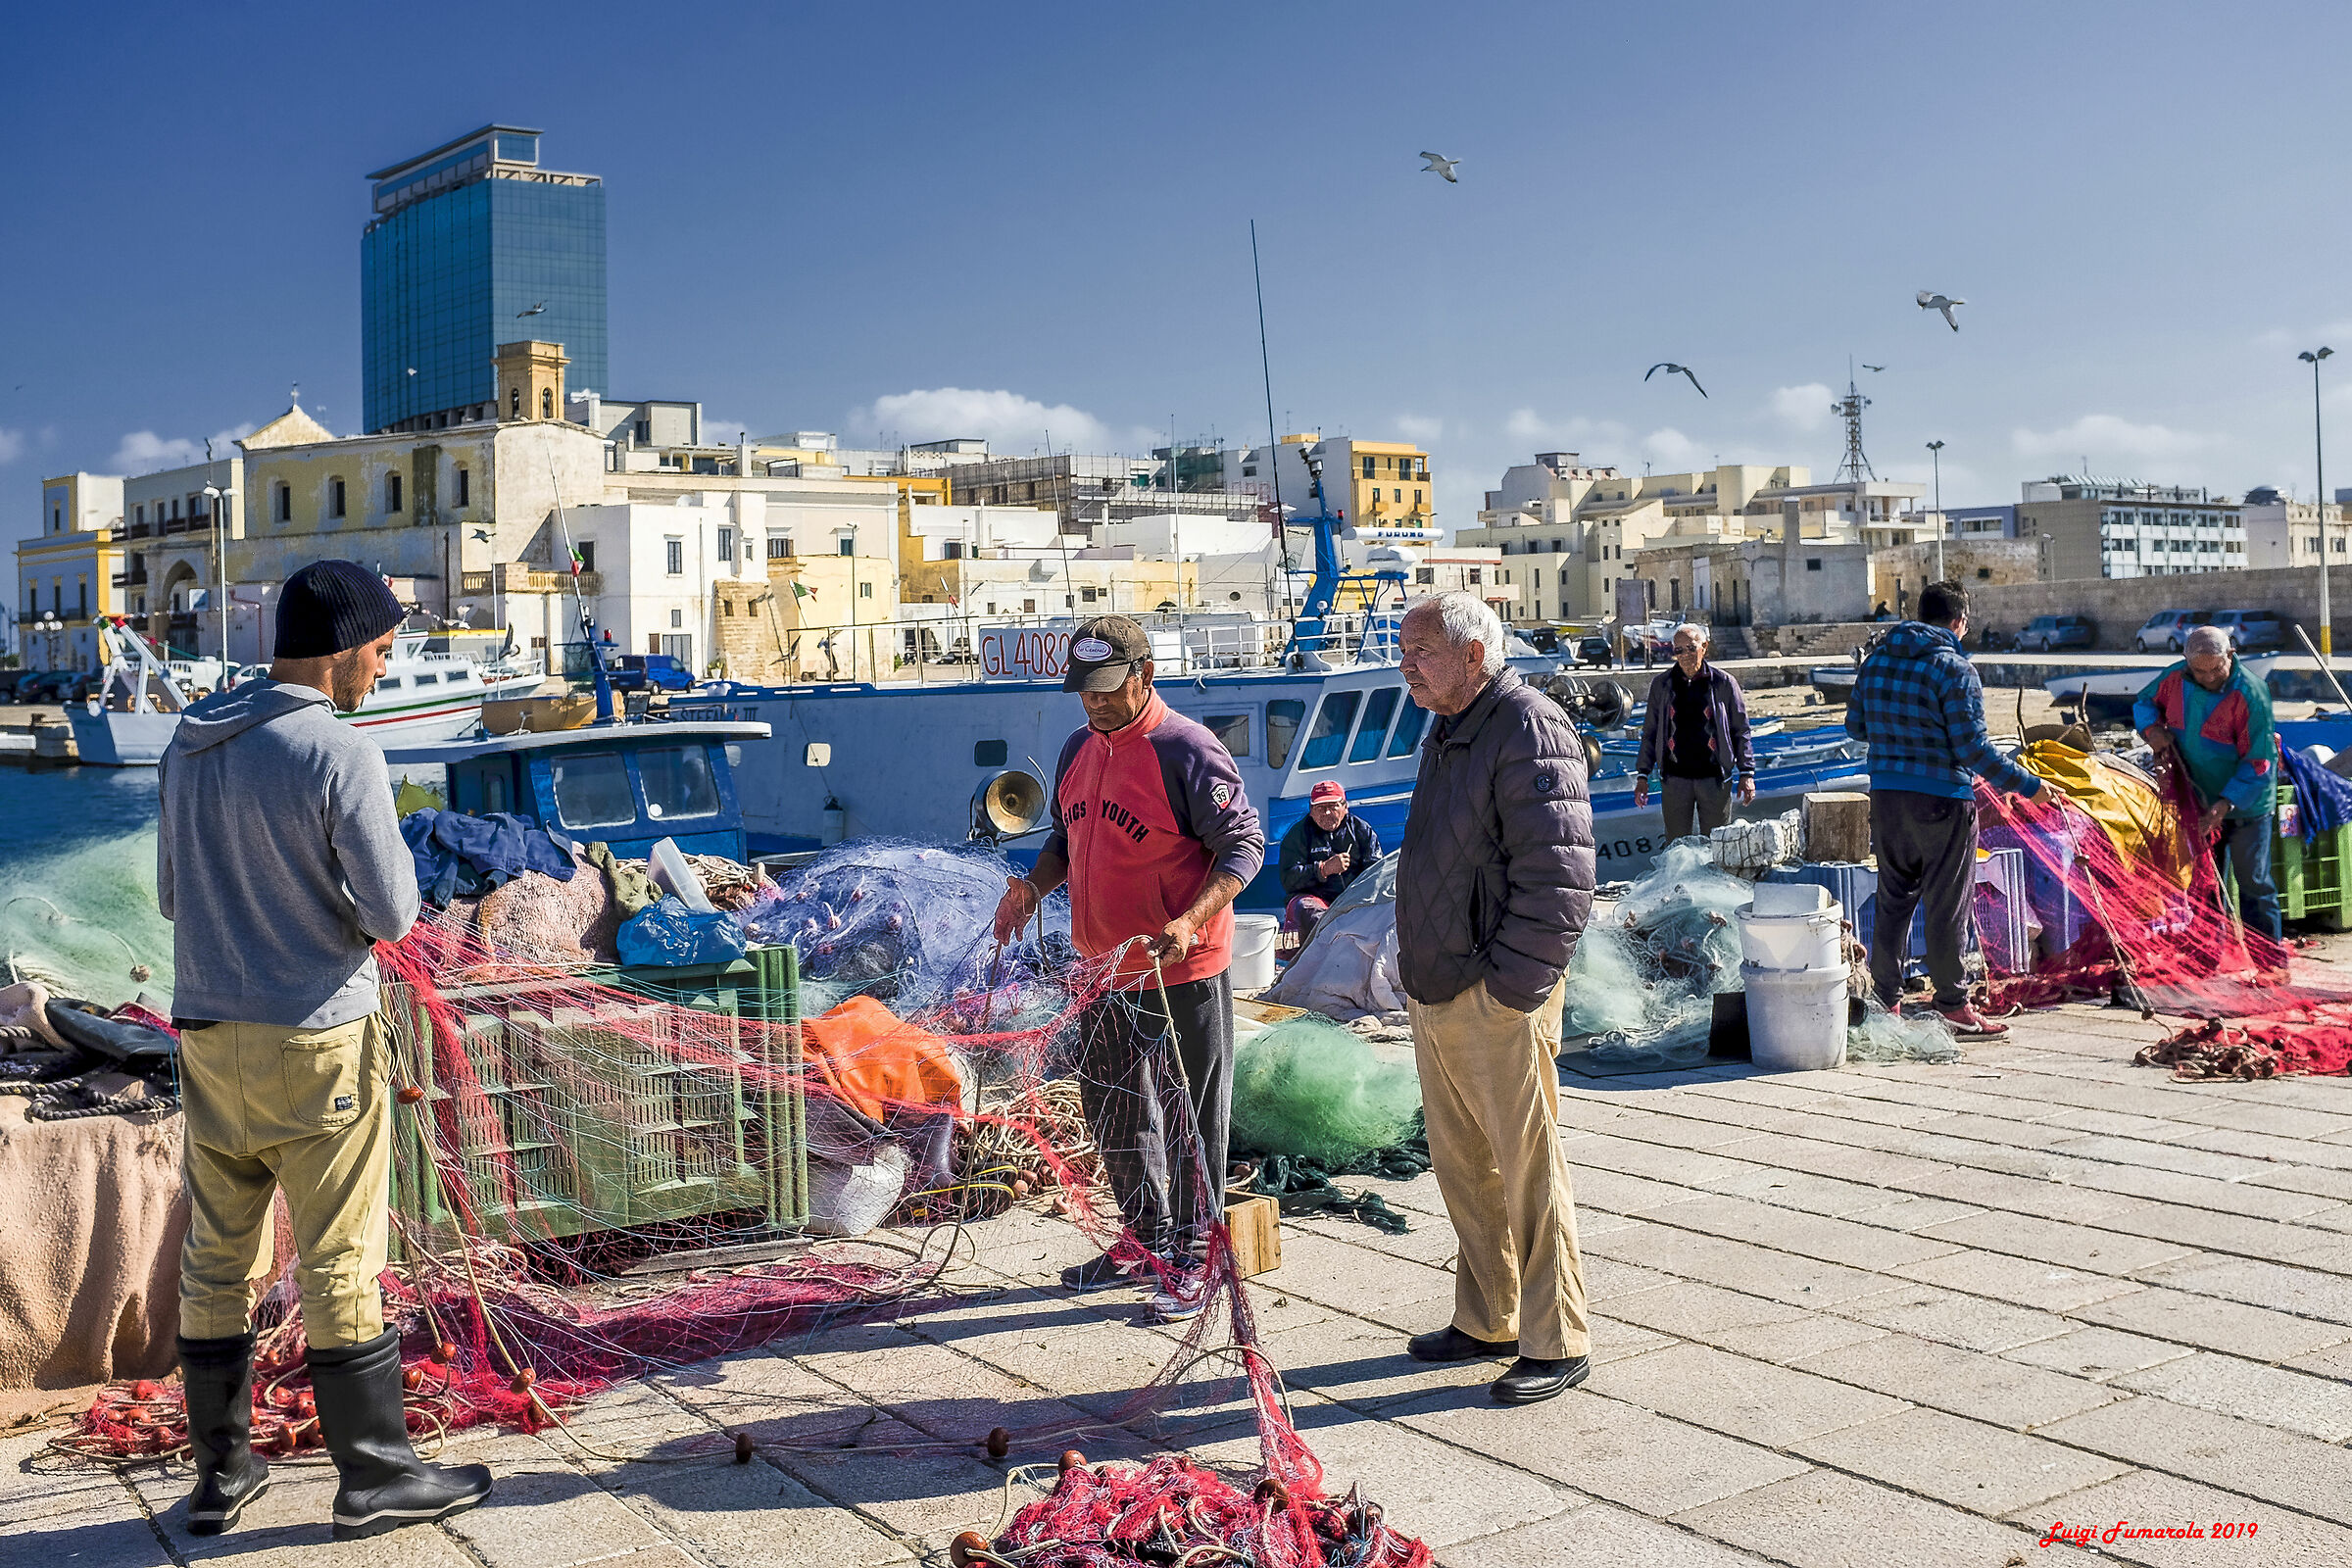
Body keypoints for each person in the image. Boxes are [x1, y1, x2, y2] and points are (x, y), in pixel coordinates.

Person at [159, 561, 492, 1540]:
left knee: (216, 1257)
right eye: (381, 654)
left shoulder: (187, 742)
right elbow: (394, 911)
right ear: (344, 652)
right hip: (318, 1040)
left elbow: (173, 896)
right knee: (342, 1256)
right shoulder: (342, 753)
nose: (382, 673)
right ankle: (376, 1474)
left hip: (209, 1037)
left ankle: (221, 1475)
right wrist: (327, 914)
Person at [992, 615, 1263, 1321]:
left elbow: (1244, 848)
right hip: (1103, 970)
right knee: (1115, 1109)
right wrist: (1030, 889)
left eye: (1110, 691)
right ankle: (1144, 1237)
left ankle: (1200, 1255)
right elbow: (1064, 838)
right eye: (1085, 692)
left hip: (1179, 970)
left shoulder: (1187, 749)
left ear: (1146, 677)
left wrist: (1189, 920)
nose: (1096, 703)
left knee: (1191, 1116)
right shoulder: (1079, 746)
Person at [1393, 592, 1594, 1406]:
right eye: (1404, 652)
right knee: (1464, 1166)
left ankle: (1557, 1340)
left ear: (1474, 656)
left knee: (1527, 1172)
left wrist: (1512, 989)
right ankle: (1488, 1316)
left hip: (1493, 991)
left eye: (1423, 653)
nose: (1407, 666)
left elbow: (1561, 877)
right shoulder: (1449, 724)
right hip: (1440, 983)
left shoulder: (1528, 726)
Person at [1844, 580, 2047, 1038]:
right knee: (1946, 905)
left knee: (1894, 901)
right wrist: (2029, 786)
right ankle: (1952, 1004)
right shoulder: (1954, 668)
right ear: (1959, 621)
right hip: (1942, 799)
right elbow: (1974, 749)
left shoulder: (1876, 661)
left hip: (1887, 797)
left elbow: (1855, 727)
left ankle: (1886, 1001)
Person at [2133, 625, 2281, 940]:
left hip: (2247, 803)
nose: (2208, 677)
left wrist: (2225, 802)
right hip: (2197, 796)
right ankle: (2211, 954)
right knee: (2207, 881)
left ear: (2231, 655)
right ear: (2187, 662)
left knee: (2253, 880)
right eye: (2199, 671)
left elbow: (2259, 760)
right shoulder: (2176, 678)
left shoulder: (2251, 693)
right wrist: (2152, 731)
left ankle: (2269, 959)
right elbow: (2144, 702)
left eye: (2216, 668)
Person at [1633, 624, 1755, 839]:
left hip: (1715, 780)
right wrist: (1643, 774)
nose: (1685, 655)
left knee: (1718, 844)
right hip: (1675, 780)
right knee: (1676, 847)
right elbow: (1650, 732)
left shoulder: (1724, 683)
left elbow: (1741, 730)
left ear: (1704, 647)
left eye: (1690, 647)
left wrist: (1747, 772)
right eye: (1678, 650)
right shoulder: (1662, 685)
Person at [1277, 780, 1381, 946]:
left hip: (1356, 900)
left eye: (1333, 806)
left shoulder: (1362, 830)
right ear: (1311, 811)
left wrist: (1357, 900)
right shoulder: (1298, 834)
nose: (1326, 812)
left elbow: (1376, 873)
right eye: (1320, 807)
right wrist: (1322, 869)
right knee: (1307, 909)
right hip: (1317, 900)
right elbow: (1288, 878)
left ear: (1345, 807)